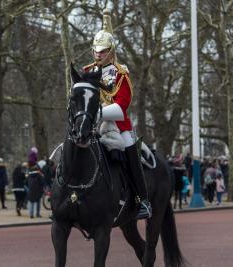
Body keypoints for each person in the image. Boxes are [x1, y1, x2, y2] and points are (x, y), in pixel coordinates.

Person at [82, 10, 151, 219]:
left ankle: (142, 200)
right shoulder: (87, 71)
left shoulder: (121, 73)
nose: (98, 54)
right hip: (90, 123)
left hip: (118, 125)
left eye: (102, 51)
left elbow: (122, 105)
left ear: (111, 51)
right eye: (96, 50)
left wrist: (99, 112)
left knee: (131, 153)